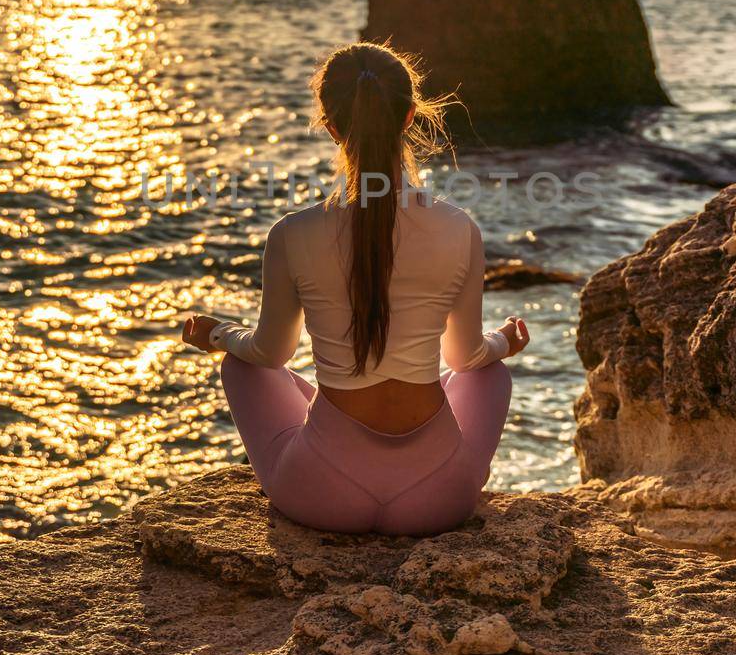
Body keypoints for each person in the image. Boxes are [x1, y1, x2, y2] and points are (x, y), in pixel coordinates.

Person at [180, 41, 528, 535]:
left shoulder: (293, 233)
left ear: (330, 125)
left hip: (322, 493)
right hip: (438, 499)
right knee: (489, 374)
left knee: (245, 364)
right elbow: (464, 358)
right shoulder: (459, 227)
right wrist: (504, 342)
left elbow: (270, 353)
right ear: (409, 117)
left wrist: (219, 334)